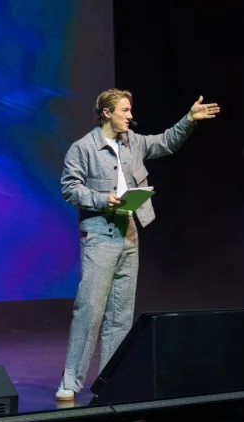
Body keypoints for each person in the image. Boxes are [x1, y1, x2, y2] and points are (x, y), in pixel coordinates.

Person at [56, 88, 221, 401]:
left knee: (120, 314)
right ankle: (70, 381)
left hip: (130, 232)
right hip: (100, 233)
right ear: (107, 113)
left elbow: (166, 142)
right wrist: (100, 199)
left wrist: (189, 119)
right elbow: (69, 188)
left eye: (130, 110)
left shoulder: (133, 142)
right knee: (90, 310)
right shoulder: (83, 148)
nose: (130, 116)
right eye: (125, 111)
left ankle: (109, 381)